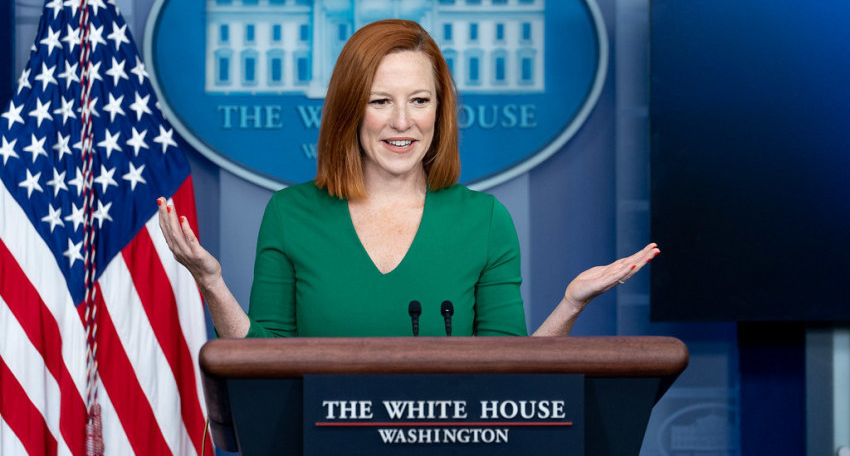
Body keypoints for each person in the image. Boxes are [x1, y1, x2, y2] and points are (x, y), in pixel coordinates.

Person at [157, 19, 658, 338]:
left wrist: (570, 305)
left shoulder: (484, 221)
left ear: (439, 112)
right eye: (380, 102)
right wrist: (212, 284)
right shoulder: (291, 214)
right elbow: (264, 364)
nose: (402, 121)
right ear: (350, 113)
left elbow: (509, 374)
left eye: (419, 100)